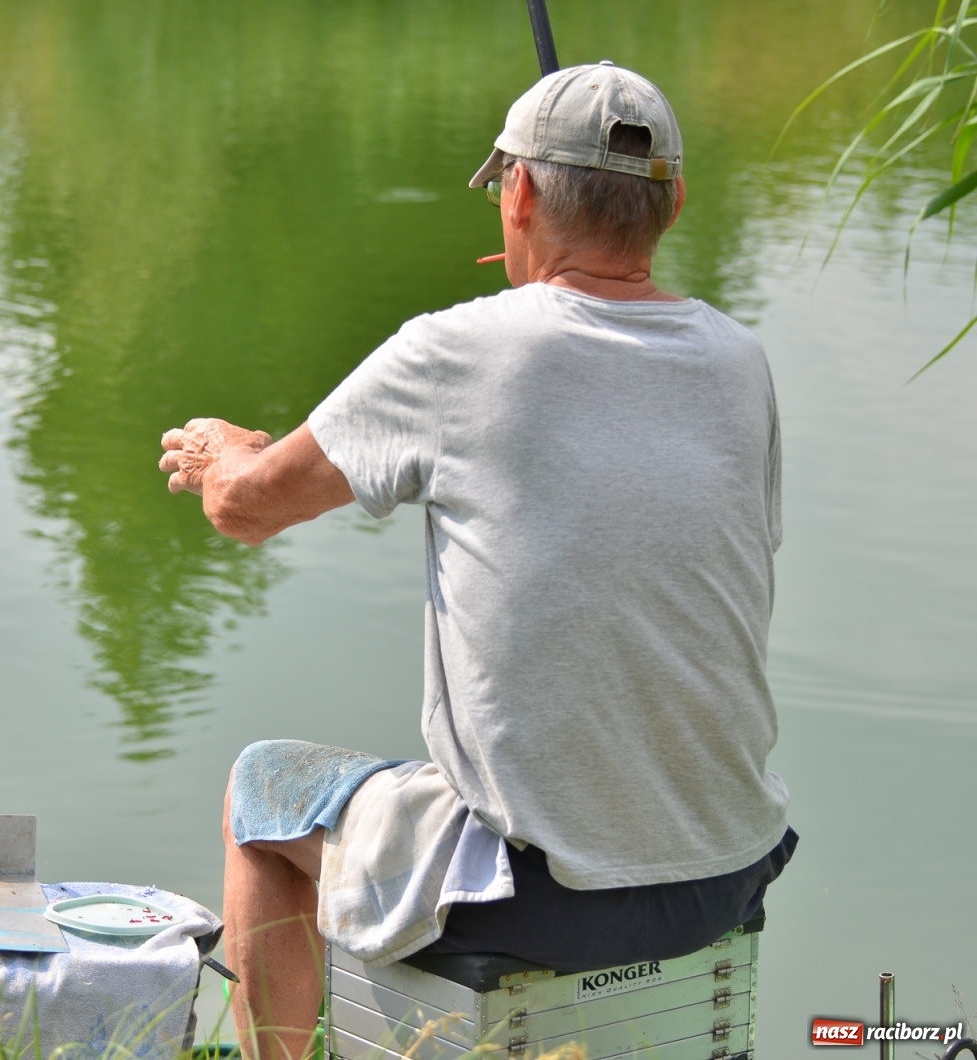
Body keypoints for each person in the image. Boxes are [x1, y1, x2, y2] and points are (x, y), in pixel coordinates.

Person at [157, 63, 796, 1060]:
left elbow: (247, 505)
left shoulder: (456, 351)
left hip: (541, 891)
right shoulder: (738, 363)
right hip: (724, 872)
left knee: (263, 789)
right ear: (671, 203)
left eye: (504, 189)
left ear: (525, 194)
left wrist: (219, 452)